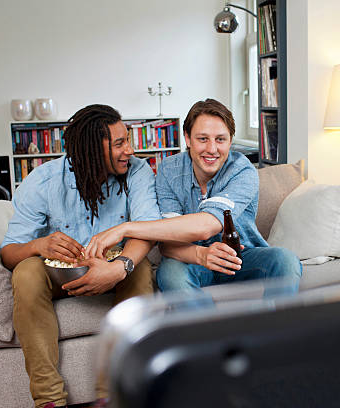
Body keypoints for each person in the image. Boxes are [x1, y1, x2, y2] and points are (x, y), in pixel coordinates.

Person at [0, 104, 160, 408]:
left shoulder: (137, 171)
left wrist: (120, 267)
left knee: (139, 269)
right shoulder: (44, 181)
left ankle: (111, 394)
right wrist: (38, 246)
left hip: (113, 271)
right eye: (119, 143)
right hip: (62, 276)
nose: (130, 149)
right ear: (92, 150)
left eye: (128, 139)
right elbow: (9, 252)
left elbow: (147, 230)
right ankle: (49, 400)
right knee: (25, 271)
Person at [85, 98, 302, 298]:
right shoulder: (169, 170)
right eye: (202, 139)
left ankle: (272, 337)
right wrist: (201, 254)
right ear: (187, 138)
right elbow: (168, 245)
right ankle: (205, 339)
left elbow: (207, 225)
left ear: (230, 141)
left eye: (220, 139)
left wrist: (124, 228)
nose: (212, 149)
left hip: (241, 257)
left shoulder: (242, 170)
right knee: (170, 273)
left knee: (286, 260)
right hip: (188, 258)